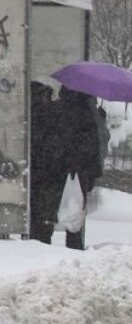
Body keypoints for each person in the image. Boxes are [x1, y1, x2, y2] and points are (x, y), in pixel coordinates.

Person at [52, 86, 108, 250]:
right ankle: (74, 242)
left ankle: (43, 239)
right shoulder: (89, 114)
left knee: (51, 202)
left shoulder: (57, 110)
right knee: (76, 203)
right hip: (81, 167)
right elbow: (96, 143)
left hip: (56, 164)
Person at [28, 81, 64, 243]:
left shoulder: (31, 113)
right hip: (50, 166)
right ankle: (44, 233)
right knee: (46, 204)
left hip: (36, 165)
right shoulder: (55, 113)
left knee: (36, 202)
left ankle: (37, 232)